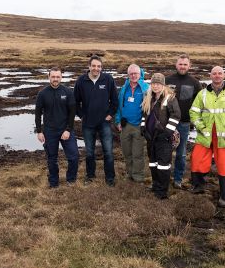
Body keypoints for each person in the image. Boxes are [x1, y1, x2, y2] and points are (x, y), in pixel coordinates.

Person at [189, 66, 225, 207]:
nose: (217, 76)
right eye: (214, 73)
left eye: (220, 73)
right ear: (210, 76)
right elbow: (194, 112)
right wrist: (200, 126)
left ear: (224, 75)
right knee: (197, 160)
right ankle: (198, 187)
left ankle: (224, 197)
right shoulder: (202, 94)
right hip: (205, 135)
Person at [74, 55, 118, 186]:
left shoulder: (108, 79)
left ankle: (110, 178)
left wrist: (110, 114)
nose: (96, 68)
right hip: (88, 124)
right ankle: (90, 176)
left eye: (99, 66)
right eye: (94, 66)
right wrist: (82, 115)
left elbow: (114, 100)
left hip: (104, 123)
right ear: (89, 66)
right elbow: (75, 102)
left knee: (108, 151)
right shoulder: (81, 81)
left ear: (101, 68)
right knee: (89, 152)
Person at [35, 67, 79, 188]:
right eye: (53, 77)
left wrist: (68, 130)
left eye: (58, 77)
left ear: (61, 77)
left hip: (65, 130)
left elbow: (72, 112)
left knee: (74, 156)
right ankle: (54, 183)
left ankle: (71, 179)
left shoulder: (67, 92)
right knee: (52, 159)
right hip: (49, 131)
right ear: (48, 77)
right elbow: (38, 113)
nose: (55, 79)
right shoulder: (42, 94)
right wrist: (39, 131)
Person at [165, 54, 202, 188]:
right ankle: (164, 176)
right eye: (180, 64)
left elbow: (200, 103)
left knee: (180, 154)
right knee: (166, 151)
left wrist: (197, 121)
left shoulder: (195, 83)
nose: (182, 66)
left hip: (184, 123)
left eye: (185, 64)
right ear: (176, 65)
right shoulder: (167, 80)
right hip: (167, 123)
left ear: (189, 66)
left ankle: (178, 179)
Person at [142, 73, 181, 199]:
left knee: (163, 165)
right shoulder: (148, 97)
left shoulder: (170, 98)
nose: (156, 86)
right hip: (151, 137)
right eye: (153, 83)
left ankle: (162, 192)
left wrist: (167, 133)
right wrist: (143, 128)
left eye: (158, 83)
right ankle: (155, 185)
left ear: (163, 85)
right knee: (153, 163)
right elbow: (144, 114)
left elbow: (176, 116)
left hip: (164, 138)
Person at [115, 64, 149, 182]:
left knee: (137, 154)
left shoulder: (146, 88)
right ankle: (130, 174)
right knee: (127, 152)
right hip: (125, 126)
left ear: (140, 74)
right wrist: (118, 121)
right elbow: (119, 106)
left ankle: (138, 177)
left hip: (139, 126)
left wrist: (146, 124)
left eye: (136, 73)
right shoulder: (124, 88)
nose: (134, 76)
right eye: (131, 74)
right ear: (128, 75)